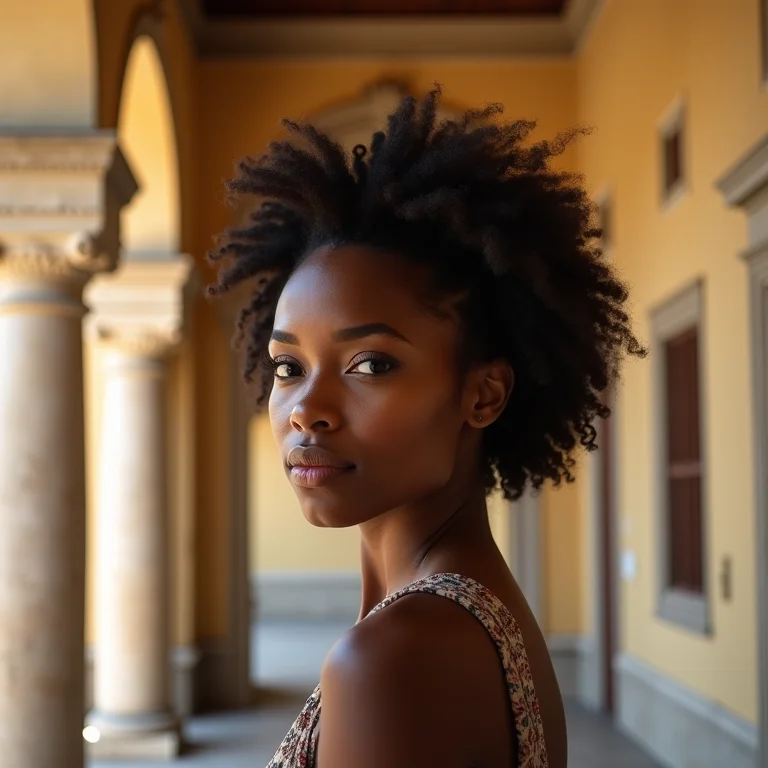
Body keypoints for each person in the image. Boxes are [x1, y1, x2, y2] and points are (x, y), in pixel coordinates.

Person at [206, 87, 645, 768]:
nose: (305, 408)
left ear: (483, 394)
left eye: (371, 363)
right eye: (288, 365)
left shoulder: (396, 656)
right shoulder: (472, 612)